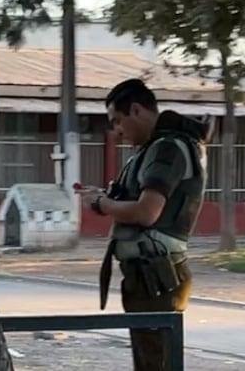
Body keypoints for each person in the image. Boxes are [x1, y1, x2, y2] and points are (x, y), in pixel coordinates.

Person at [76, 78, 208, 371]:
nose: (116, 132)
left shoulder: (167, 149)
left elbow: (147, 212)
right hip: (147, 275)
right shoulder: (153, 149)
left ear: (136, 110)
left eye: (118, 121)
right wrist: (107, 199)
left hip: (157, 274)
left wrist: (103, 205)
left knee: (156, 364)